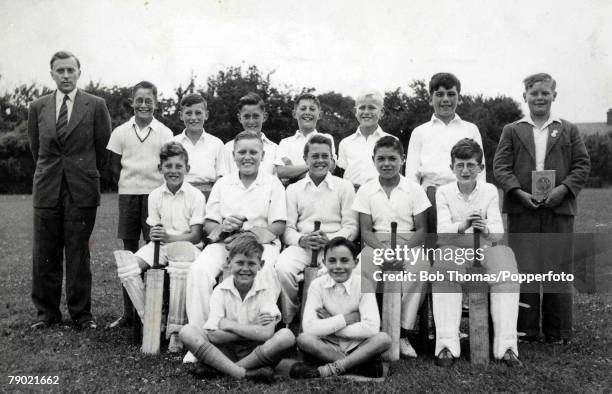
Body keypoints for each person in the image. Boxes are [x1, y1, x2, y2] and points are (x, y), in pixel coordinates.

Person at [493, 73, 590, 344]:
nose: (539, 97)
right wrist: (517, 192)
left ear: (554, 96)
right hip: (523, 209)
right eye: (534, 93)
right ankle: (526, 331)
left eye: (545, 93)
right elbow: (500, 167)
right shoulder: (512, 130)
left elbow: (582, 165)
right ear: (525, 96)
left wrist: (563, 190)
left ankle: (557, 331)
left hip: (559, 210)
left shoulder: (568, 129)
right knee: (525, 268)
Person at [185, 131, 286, 363]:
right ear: (233, 155)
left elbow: (278, 224)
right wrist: (223, 225)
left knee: (268, 269)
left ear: (262, 155)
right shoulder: (223, 183)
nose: (247, 157)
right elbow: (209, 223)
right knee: (199, 270)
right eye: (242, 152)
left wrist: (249, 234)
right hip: (225, 242)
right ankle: (201, 340)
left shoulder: (273, 184)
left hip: (261, 244)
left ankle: (260, 339)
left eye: (253, 152)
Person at [28, 50, 111, 330]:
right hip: (47, 187)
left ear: (79, 72)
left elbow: (102, 147)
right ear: (51, 73)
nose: (65, 75)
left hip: (82, 189)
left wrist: (81, 171)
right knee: (45, 253)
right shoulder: (38, 107)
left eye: (70, 70)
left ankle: (81, 315)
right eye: (60, 70)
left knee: (78, 254)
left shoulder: (96, 105)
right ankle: (47, 314)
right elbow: (35, 148)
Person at [433, 138, 521, 367]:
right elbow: (442, 233)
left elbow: (498, 234)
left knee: (506, 262)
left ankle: (507, 347)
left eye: (471, 165)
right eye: (459, 165)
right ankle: (446, 346)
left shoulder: (490, 190)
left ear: (481, 168)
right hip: (453, 250)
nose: (465, 170)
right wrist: (462, 226)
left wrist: (485, 227)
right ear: (451, 167)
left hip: (483, 249)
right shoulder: (443, 192)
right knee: (444, 269)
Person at [352, 136, 431, 358]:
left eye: (392, 159)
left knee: (420, 267)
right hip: (377, 244)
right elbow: (366, 231)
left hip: (408, 243)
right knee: (362, 270)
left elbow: (422, 229)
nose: (386, 163)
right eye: (381, 159)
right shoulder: (366, 190)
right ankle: (369, 328)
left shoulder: (414, 189)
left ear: (403, 159)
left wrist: (403, 251)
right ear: (373, 160)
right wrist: (383, 251)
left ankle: (402, 331)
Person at [180, 234, 295, 383]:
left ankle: (225, 370)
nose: (245, 269)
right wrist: (253, 329)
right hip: (226, 351)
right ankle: (245, 373)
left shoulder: (266, 290)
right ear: (229, 262)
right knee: (187, 331)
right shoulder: (220, 291)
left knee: (287, 335)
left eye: (251, 264)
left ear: (261, 264)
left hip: (255, 352)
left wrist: (230, 325)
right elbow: (215, 336)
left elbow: (266, 333)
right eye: (240, 263)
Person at [106, 80, 174, 329]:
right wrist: (129, 185)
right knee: (129, 251)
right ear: (132, 102)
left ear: (156, 103)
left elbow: (169, 163)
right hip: (128, 196)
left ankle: (158, 311)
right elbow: (113, 167)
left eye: (149, 100)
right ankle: (129, 313)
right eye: (139, 100)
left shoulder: (165, 133)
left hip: (155, 197)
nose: (143, 105)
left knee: (156, 250)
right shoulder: (120, 131)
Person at [276, 134, 358, 328]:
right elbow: (287, 229)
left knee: (326, 275)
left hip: (335, 246)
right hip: (302, 246)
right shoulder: (293, 189)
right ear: (305, 160)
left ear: (332, 160)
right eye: (315, 156)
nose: (320, 160)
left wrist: (330, 240)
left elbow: (351, 227)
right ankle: (291, 320)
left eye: (325, 156)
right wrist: (303, 240)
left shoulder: (344, 187)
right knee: (282, 269)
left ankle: (325, 322)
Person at [290, 238, 391, 380]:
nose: (338, 266)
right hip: (327, 346)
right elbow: (309, 327)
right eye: (332, 261)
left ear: (355, 263)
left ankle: (328, 369)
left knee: (383, 339)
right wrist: (347, 319)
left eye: (344, 260)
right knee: (304, 339)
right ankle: (356, 365)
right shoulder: (317, 285)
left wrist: (331, 324)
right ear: (324, 263)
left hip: (357, 344)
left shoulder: (364, 284)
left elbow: (372, 328)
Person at [405, 72, 485, 236]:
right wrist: (413, 203)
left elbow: (480, 171)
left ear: (459, 97)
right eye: (439, 94)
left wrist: (480, 201)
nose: (446, 100)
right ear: (431, 98)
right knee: (431, 248)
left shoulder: (470, 129)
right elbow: (411, 175)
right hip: (430, 197)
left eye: (451, 94)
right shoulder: (420, 132)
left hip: (464, 194)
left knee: (462, 248)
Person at [173, 93, 227, 198]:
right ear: (181, 115)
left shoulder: (216, 143)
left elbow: (222, 175)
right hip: (179, 194)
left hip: (209, 195)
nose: (193, 118)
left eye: (198, 113)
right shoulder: (173, 143)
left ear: (206, 115)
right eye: (188, 113)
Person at [275, 93, 336, 185]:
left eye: (312, 109)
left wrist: (293, 174)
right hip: (294, 194)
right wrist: (315, 165)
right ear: (294, 114)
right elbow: (281, 172)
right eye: (303, 108)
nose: (307, 112)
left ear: (319, 114)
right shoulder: (285, 142)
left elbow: (330, 167)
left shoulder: (327, 138)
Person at [336, 90, 391, 189]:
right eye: (362, 108)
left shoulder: (391, 141)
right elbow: (340, 175)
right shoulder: (345, 143)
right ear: (355, 112)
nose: (366, 112)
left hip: (380, 195)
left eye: (371, 108)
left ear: (381, 112)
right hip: (352, 195)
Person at [224, 92, 278, 175]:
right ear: (239, 118)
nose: (251, 121)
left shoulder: (275, 149)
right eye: (246, 116)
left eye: (256, 116)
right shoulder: (228, 148)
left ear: (264, 117)